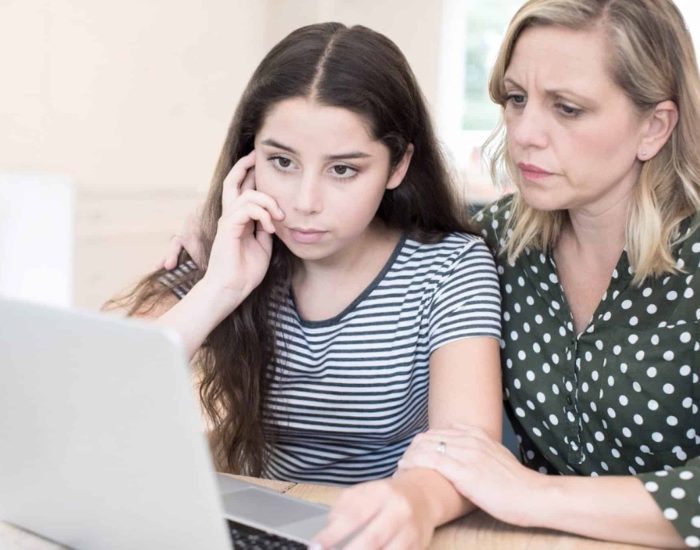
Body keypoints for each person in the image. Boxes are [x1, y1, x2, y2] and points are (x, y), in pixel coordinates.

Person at [112, 22, 503, 548]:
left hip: (386, 529)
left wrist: (408, 501)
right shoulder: (234, 245)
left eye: (343, 170)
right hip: (258, 523)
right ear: (247, 160)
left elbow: (467, 449)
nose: (304, 201)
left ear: (398, 165)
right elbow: (107, 391)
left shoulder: (449, 267)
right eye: (281, 162)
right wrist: (220, 287)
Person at [391, 0, 700, 548]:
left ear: (654, 127)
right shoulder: (498, 239)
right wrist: (217, 234)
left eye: (568, 108)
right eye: (516, 99)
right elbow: (361, 238)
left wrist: (531, 493)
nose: (525, 132)